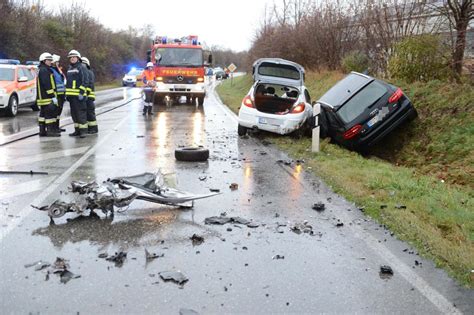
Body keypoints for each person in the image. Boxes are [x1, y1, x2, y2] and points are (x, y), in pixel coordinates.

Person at [65, 50, 88, 138]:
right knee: (74, 114)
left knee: (80, 114)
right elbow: (68, 83)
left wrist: (81, 92)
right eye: (70, 57)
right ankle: (77, 130)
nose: (72, 59)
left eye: (74, 57)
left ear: (78, 58)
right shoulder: (70, 68)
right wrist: (67, 94)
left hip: (79, 96)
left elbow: (85, 81)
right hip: (72, 97)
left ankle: (83, 131)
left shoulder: (81, 67)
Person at [36, 52, 60, 137]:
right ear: (43, 60)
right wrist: (52, 96)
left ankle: (42, 131)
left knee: (42, 115)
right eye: (48, 60)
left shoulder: (43, 69)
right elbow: (47, 84)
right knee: (49, 115)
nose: (50, 62)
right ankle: (50, 131)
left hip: (43, 98)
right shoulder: (44, 70)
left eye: (50, 60)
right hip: (47, 98)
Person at [81, 57, 98, 134]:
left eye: (84, 64)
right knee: (86, 113)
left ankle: (93, 129)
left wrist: (86, 94)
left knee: (90, 113)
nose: (83, 65)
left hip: (89, 97)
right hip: (85, 96)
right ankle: (89, 128)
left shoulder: (89, 72)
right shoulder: (84, 72)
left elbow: (90, 84)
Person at [51, 54, 66, 132]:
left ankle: (57, 126)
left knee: (59, 112)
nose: (58, 63)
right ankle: (54, 127)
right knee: (55, 112)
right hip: (56, 94)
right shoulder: (51, 70)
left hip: (61, 94)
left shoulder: (58, 70)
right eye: (57, 62)